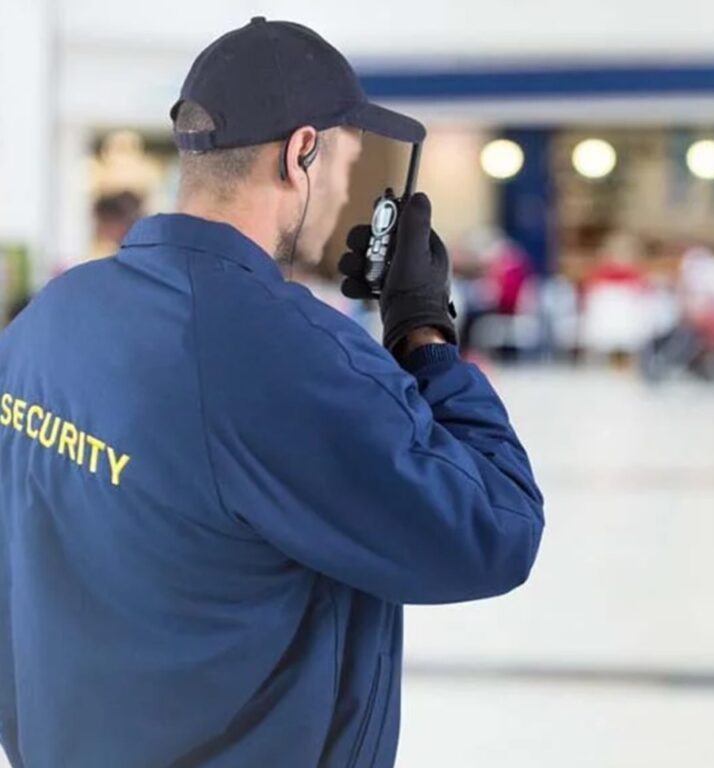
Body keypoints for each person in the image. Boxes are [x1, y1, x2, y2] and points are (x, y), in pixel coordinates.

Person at [0, 17, 544, 768]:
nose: (345, 192)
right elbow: (497, 530)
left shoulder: (48, 318)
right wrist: (424, 333)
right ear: (301, 153)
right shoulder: (287, 353)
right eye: (346, 164)